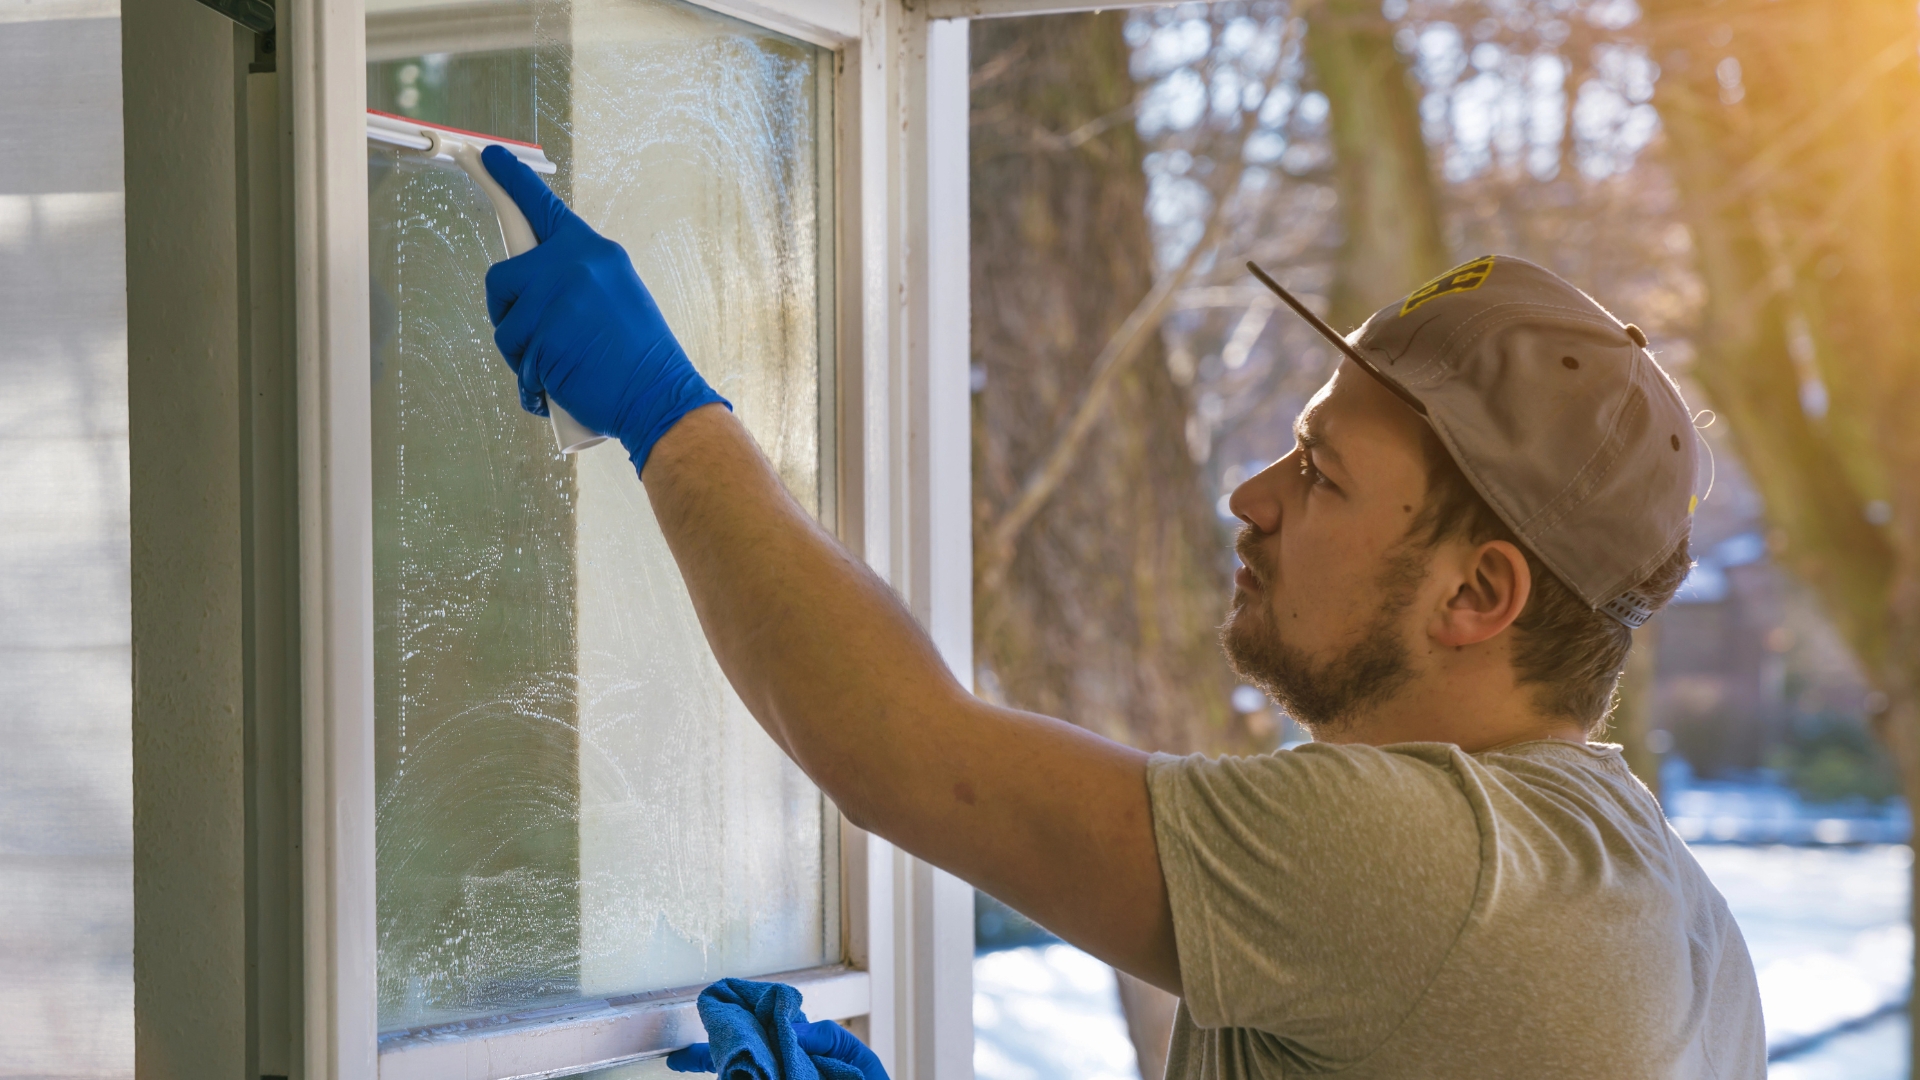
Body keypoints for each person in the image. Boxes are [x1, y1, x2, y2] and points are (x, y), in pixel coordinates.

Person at [475, 145, 1765, 1078]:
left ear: (1478, 594)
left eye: (1321, 476)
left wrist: (662, 407)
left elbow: (900, 753)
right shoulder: (1675, 912)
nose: (1251, 498)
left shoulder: (1442, 867)